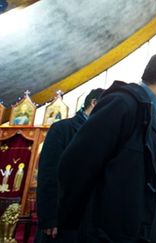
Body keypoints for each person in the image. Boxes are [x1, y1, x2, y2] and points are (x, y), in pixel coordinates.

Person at [57, 51, 156, 242]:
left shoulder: (155, 114)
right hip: (112, 234)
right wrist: (88, 225)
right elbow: (76, 163)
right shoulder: (123, 103)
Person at [35, 88, 104, 242]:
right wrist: (49, 217)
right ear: (94, 103)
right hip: (60, 218)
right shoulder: (62, 129)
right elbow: (48, 174)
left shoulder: (101, 133)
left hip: (86, 220)